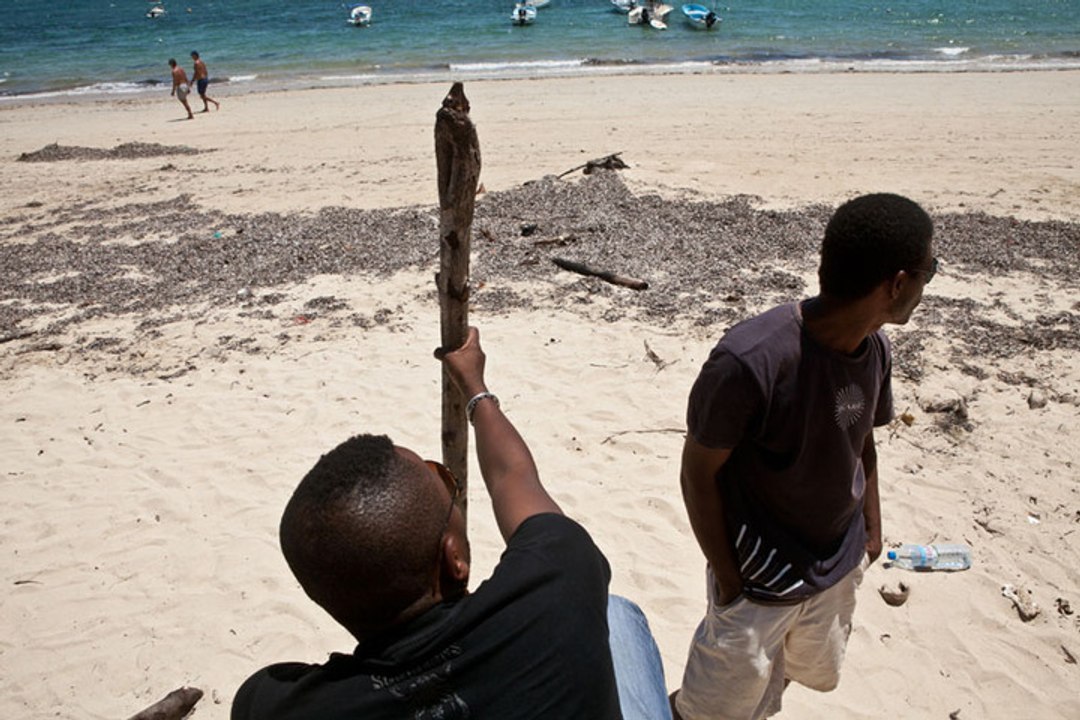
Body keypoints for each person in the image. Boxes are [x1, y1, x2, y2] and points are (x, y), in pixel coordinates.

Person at [232, 326, 671, 719]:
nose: (449, 485)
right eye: (446, 484)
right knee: (615, 613)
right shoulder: (558, 582)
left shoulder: (268, 703)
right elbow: (513, 477)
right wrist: (476, 387)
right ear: (454, 558)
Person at [671, 193, 936, 720]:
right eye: (929, 271)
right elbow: (697, 475)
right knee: (710, 708)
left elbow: (862, 440)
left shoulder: (875, 348)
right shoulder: (749, 360)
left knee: (801, 670)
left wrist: (871, 533)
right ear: (897, 283)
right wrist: (730, 582)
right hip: (758, 581)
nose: (927, 285)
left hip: (837, 562)